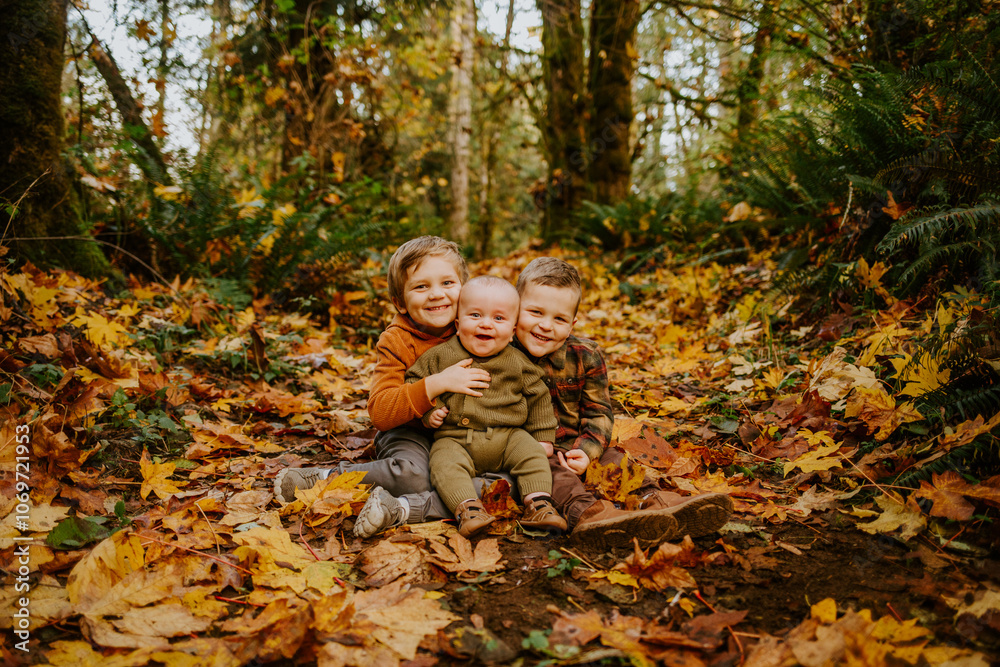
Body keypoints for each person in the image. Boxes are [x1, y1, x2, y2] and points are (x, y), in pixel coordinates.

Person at [274, 236, 502, 535]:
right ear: (400, 302)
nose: (436, 295)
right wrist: (435, 384)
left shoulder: (482, 328)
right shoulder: (396, 340)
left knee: (509, 479)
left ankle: (400, 508)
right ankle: (325, 478)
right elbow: (380, 412)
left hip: (464, 438)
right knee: (414, 475)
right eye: (421, 286)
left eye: (448, 283)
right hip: (411, 432)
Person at [514, 257, 734, 551]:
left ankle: (658, 503)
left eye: (559, 319)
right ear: (515, 308)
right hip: (533, 452)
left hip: (577, 444)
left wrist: (587, 451)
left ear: (573, 323)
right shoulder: (502, 356)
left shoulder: (585, 355)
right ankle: (592, 516)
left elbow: (599, 413)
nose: (545, 326)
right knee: (554, 474)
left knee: (617, 459)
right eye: (535, 312)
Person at [406, 276, 566, 538]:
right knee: (443, 463)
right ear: (458, 324)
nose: (486, 324)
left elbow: (538, 397)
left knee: (533, 456)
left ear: (513, 330)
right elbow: (414, 381)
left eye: (498, 319)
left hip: (507, 436)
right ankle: (467, 509)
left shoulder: (518, 362)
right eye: (476, 315)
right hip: (455, 438)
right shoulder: (440, 356)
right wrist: (429, 411)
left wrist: (543, 438)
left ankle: (539, 504)